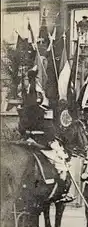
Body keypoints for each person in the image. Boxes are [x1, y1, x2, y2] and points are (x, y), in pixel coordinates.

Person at [17, 66, 73, 203]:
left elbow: (21, 127)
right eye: (39, 95)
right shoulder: (41, 112)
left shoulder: (24, 109)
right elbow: (48, 131)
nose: (40, 97)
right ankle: (63, 192)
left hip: (25, 140)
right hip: (41, 143)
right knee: (62, 163)